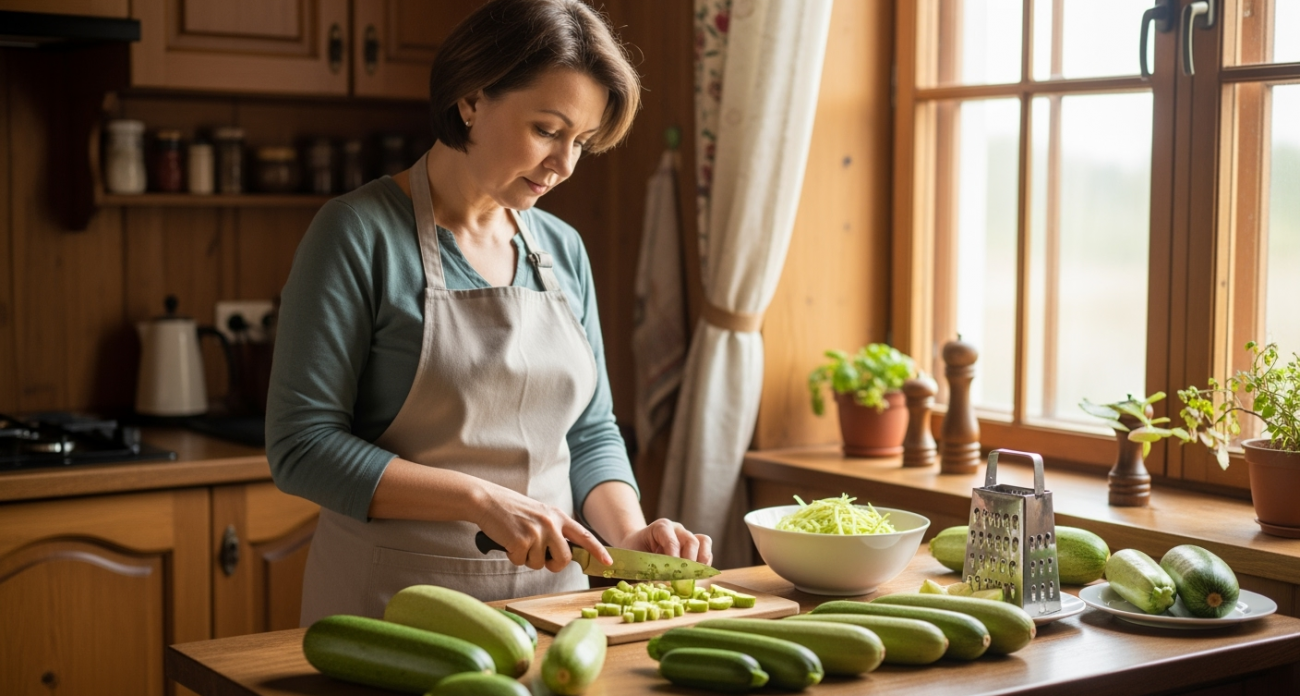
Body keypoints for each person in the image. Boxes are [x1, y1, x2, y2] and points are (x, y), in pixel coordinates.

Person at [266, 0, 711, 626]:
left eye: (580, 141)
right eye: (546, 130)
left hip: (557, 607)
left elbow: (590, 431)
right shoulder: (356, 234)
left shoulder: (562, 248)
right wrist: (481, 501)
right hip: (395, 609)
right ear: (471, 100)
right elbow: (301, 446)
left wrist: (628, 535)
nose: (564, 165)